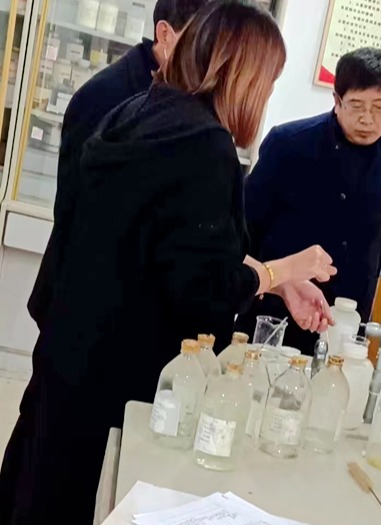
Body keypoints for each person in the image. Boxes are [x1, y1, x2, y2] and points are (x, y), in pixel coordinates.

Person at [0, 2, 336, 523]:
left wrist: (273, 282)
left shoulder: (142, 112)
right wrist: (283, 270)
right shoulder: (205, 146)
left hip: (74, 351)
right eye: (268, 82)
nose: (267, 96)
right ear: (242, 76)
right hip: (120, 372)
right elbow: (202, 288)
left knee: (41, 489)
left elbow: (165, 241)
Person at [28, 0, 211, 331]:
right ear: (164, 34)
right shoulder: (107, 95)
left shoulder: (183, 95)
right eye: (201, 39)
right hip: (83, 296)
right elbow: (78, 206)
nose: (209, 54)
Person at [236, 47, 381, 353]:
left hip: (344, 325)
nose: (367, 118)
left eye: (379, 107)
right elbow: (244, 226)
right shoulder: (288, 144)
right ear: (336, 100)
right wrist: (275, 279)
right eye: (356, 105)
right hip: (273, 312)